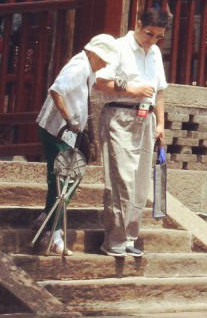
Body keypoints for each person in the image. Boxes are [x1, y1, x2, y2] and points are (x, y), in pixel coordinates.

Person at [35, 33, 121, 255]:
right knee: (64, 179)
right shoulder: (79, 66)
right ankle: (53, 233)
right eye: (103, 58)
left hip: (68, 132)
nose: (104, 63)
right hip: (57, 129)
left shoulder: (89, 70)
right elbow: (56, 90)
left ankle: (47, 219)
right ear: (94, 52)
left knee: (65, 177)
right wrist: (69, 118)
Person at [95, 7, 170, 257]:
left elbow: (159, 90)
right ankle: (114, 239)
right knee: (121, 179)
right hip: (120, 114)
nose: (152, 40)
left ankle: (130, 236)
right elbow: (101, 82)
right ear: (138, 23)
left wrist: (160, 123)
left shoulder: (155, 52)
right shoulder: (118, 47)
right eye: (149, 34)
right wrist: (132, 90)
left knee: (140, 182)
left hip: (146, 118)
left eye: (158, 36)